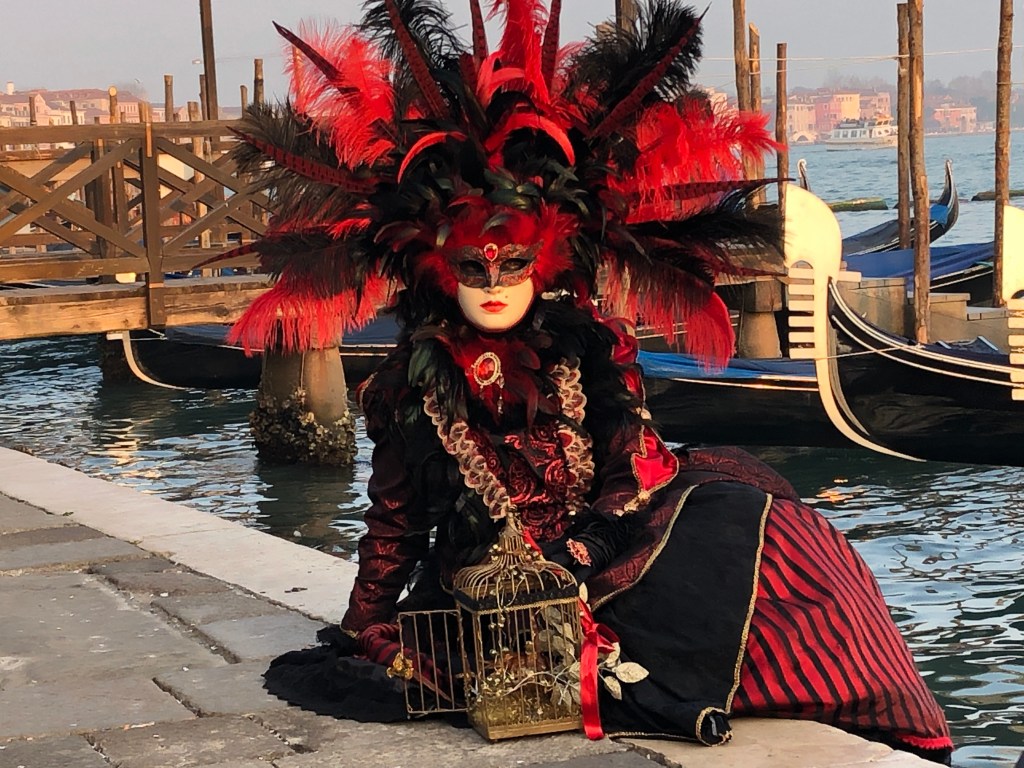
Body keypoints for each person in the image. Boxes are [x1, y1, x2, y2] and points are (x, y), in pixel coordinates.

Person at [220, 0, 953, 762]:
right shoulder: (411, 384)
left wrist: (583, 550)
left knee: (783, 545)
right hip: (488, 590)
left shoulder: (590, 347)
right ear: (435, 262)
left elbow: (634, 460)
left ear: (550, 255)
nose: (496, 281)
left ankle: (898, 728)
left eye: (515, 264)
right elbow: (396, 519)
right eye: (475, 264)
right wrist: (366, 621)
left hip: (617, 548)